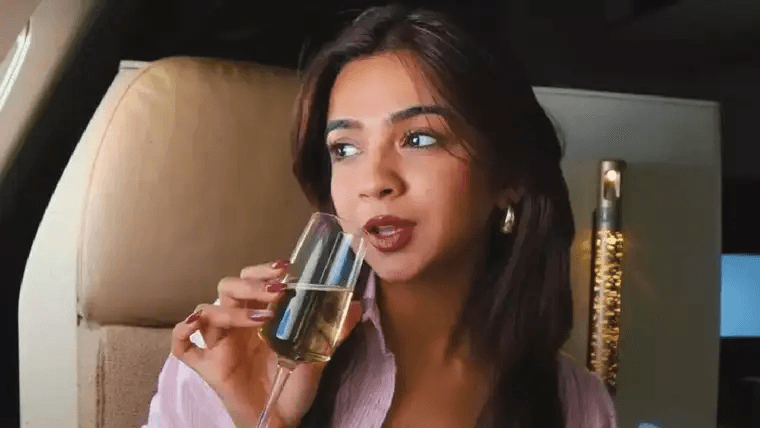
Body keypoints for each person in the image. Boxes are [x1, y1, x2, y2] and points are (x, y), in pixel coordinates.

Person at [143, 4, 617, 428]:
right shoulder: (227, 362)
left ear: (507, 176)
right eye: (345, 149)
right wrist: (263, 422)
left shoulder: (576, 406)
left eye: (420, 139)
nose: (373, 181)